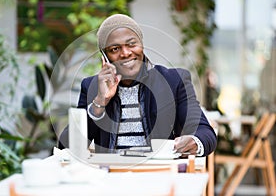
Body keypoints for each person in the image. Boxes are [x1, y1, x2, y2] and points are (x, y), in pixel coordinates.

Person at [59, 14, 217, 157]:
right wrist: (100, 103)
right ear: (105, 57)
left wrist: (194, 142)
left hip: (158, 176)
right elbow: (66, 146)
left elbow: (204, 132)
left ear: (142, 45)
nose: (126, 53)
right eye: (115, 49)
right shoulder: (93, 87)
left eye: (131, 44)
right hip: (111, 178)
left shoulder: (174, 80)